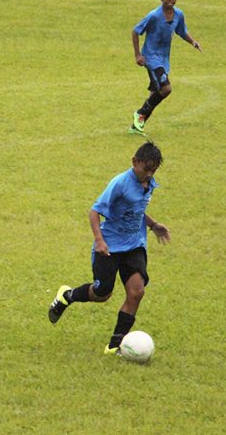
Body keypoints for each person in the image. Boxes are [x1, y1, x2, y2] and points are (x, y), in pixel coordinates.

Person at [48, 141, 171, 355]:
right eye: (146, 169)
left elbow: (136, 208)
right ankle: (67, 296)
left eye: (153, 170)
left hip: (134, 245)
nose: (149, 174)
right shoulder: (120, 183)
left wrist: (152, 225)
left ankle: (115, 345)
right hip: (110, 246)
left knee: (136, 292)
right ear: (135, 162)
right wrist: (99, 240)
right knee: (102, 293)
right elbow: (94, 212)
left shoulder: (147, 183)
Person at [129, 0, 202, 135]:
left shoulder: (178, 15)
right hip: (150, 57)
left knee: (155, 93)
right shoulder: (154, 16)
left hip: (163, 58)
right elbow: (136, 31)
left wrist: (193, 42)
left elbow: (182, 31)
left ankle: (136, 126)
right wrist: (137, 55)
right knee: (166, 88)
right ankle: (140, 113)